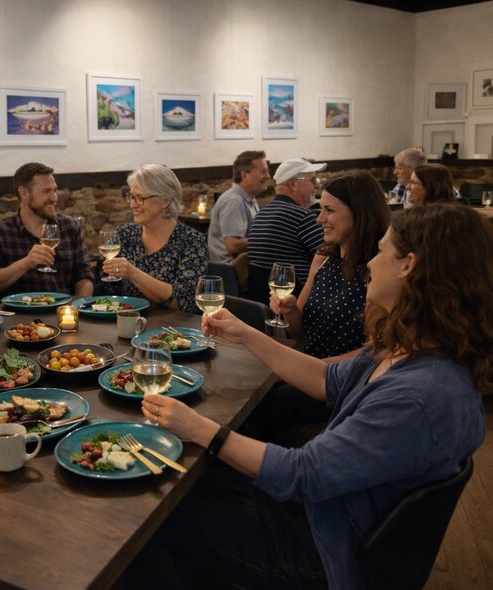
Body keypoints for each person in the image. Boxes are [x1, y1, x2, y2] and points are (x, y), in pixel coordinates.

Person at [120, 202, 491, 590]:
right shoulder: (408, 349)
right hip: (325, 515)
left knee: (148, 526)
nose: (370, 264)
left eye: (381, 252)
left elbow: (303, 473)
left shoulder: (420, 396)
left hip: (321, 548)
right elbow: (325, 378)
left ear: (408, 265)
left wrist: (202, 429)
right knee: (177, 487)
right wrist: (247, 334)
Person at [271, 171, 390, 360]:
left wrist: (314, 368)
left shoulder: (380, 266)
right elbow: (300, 335)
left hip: (350, 380)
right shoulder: (324, 256)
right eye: (321, 209)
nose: (319, 219)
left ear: (360, 212)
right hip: (312, 370)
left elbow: (382, 348)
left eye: (329, 210)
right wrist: (291, 311)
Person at [0, 162, 94, 301]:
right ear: (24, 193)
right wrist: (25, 263)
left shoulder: (70, 227)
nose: (54, 198)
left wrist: (77, 307)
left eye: (55, 190)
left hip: (62, 314)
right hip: (17, 318)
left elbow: (84, 276)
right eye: (46, 191)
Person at [97, 164, 208, 312]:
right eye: (131, 197)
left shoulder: (192, 241)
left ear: (165, 201)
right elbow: (107, 293)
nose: (132, 205)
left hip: (174, 331)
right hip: (128, 325)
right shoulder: (124, 235)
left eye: (140, 198)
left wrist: (132, 273)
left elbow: (183, 302)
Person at [246, 158, 326, 302]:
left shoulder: (260, 215)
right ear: (293, 184)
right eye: (312, 180)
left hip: (261, 305)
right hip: (297, 304)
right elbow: (330, 258)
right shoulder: (303, 217)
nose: (316, 186)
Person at [207, 150, 269, 263]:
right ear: (245, 175)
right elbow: (233, 246)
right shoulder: (234, 201)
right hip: (232, 273)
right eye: (263, 172)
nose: (268, 176)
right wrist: (268, 238)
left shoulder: (248, 198)